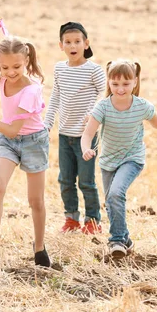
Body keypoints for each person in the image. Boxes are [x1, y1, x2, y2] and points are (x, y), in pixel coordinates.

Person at [81, 59, 157, 258]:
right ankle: (126, 239)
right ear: (109, 83)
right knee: (110, 201)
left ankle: (116, 241)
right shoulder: (103, 107)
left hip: (132, 158)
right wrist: (85, 149)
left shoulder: (141, 106)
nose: (120, 89)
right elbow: (88, 133)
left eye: (126, 84)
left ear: (135, 82)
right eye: (115, 84)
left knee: (116, 193)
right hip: (108, 161)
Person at [0, 37, 50, 267]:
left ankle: (39, 248)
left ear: (26, 60)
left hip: (33, 142)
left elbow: (14, 129)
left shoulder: (31, 90)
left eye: (16, 67)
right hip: (7, 142)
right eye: (4, 67)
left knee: (35, 201)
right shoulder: (3, 77)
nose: (10, 72)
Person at [44, 22, 106, 234]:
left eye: (77, 41)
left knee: (86, 181)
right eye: (68, 42)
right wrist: (48, 122)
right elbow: (55, 97)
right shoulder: (60, 68)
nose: (73, 45)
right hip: (65, 135)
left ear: (86, 43)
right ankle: (71, 219)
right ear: (61, 45)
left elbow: (104, 92)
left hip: (86, 136)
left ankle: (92, 220)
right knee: (66, 179)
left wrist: (94, 112)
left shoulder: (93, 70)